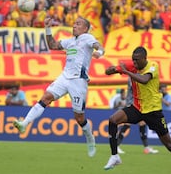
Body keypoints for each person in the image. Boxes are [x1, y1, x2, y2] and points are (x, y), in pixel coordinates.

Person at [13, 16, 105, 157]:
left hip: (78, 81)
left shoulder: (87, 38)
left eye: (78, 24)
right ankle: (24, 124)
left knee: (79, 118)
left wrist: (99, 52)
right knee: (46, 97)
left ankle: (90, 138)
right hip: (64, 77)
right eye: (74, 23)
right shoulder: (70, 41)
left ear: (85, 29)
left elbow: (98, 45)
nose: (74, 25)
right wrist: (48, 28)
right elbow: (53, 45)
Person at [103, 46, 171, 174]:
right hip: (137, 108)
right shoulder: (132, 65)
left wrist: (126, 72)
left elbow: (144, 80)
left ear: (145, 58)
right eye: (133, 60)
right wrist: (113, 70)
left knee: (169, 144)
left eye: (137, 60)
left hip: (153, 111)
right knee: (113, 120)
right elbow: (108, 71)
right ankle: (115, 156)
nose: (134, 63)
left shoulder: (153, 66)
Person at [116, 77, 159, 155]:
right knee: (127, 124)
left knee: (142, 123)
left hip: (139, 104)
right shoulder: (131, 78)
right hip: (131, 104)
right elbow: (136, 87)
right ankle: (116, 146)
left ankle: (146, 147)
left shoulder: (138, 76)